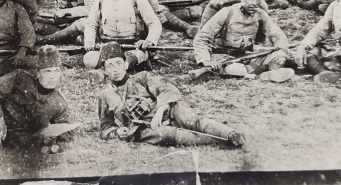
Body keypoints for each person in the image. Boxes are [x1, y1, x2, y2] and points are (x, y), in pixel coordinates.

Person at [97, 42, 244, 147]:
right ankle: (223, 142)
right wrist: (117, 132)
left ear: (126, 64)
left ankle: (230, 134)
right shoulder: (104, 95)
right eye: (110, 66)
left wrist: (161, 110)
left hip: (167, 109)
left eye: (118, 63)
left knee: (192, 120)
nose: (115, 69)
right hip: (144, 128)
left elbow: (168, 89)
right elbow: (105, 127)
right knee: (169, 134)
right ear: (104, 70)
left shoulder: (142, 78)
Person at [192, 0, 292, 80]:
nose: (254, 3)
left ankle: (273, 72)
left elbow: (277, 34)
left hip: (249, 55)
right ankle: (260, 72)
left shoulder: (260, 14)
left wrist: (280, 47)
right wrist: (206, 60)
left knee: (279, 55)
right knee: (234, 70)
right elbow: (202, 37)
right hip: (225, 57)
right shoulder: (227, 12)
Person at [83, 0, 162, 71]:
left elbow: (154, 23)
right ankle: (117, 67)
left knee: (132, 57)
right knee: (89, 59)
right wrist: (89, 41)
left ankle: (109, 69)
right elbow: (91, 23)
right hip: (106, 46)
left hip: (132, 47)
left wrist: (149, 41)